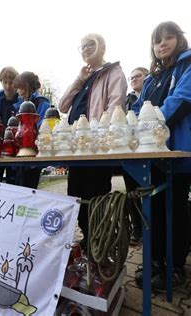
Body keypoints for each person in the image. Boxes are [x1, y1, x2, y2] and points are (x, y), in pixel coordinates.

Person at [131, 21, 191, 291]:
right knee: (152, 208)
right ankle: (154, 260)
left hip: (178, 150)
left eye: (169, 37)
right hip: (149, 153)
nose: (163, 43)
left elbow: (184, 99)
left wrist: (147, 123)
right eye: (158, 40)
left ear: (180, 40)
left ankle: (175, 265)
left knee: (175, 207)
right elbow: (136, 108)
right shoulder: (152, 80)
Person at [59, 33, 127, 250]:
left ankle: (99, 242)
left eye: (91, 45)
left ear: (102, 47)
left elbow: (115, 108)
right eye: (82, 46)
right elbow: (62, 106)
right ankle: (88, 239)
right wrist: (79, 79)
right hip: (76, 149)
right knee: (76, 195)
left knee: (96, 196)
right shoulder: (84, 78)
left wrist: (100, 137)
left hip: (96, 148)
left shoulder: (113, 72)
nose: (86, 49)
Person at [123, 67, 149, 246]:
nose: (133, 79)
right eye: (131, 77)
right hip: (130, 151)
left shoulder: (152, 95)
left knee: (148, 192)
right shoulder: (127, 100)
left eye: (138, 76)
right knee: (132, 193)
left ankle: (149, 229)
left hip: (148, 150)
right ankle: (137, 228)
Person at [12, 71, 50, 189]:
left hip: (34, 152)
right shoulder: (19, 105)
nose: (17, 91)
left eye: (19, 88)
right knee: (18, 185)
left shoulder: (42, 102)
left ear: (26, 86)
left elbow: (42, 126)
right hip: (20, 151)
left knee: (29, 185)